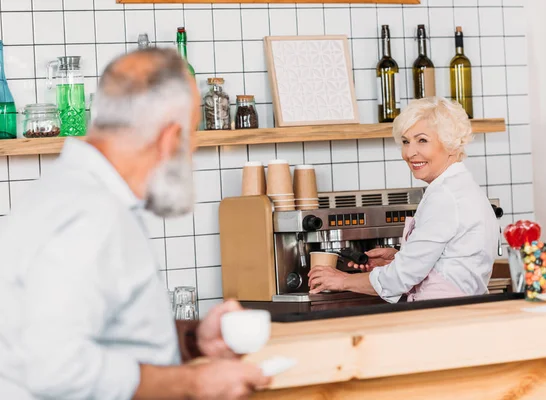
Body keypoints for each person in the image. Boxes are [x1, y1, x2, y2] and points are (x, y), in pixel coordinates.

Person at [0, 48, 269, 399]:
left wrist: (193, 338)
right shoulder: (89, 214)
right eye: (191, 138)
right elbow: (54, 367)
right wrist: (194, 384)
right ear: (170, 139)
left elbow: (97, 331)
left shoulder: (72, 193)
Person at [309, 97, 499, 302]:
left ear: (452, 144)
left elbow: (401, 278)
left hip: (441, 316)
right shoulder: (460, 187)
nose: (409, 153)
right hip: (457, 312)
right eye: (406, 141)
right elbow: (449, 260)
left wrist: (341, 280)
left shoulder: (446, 196)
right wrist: (397, 258)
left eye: (422, 140)